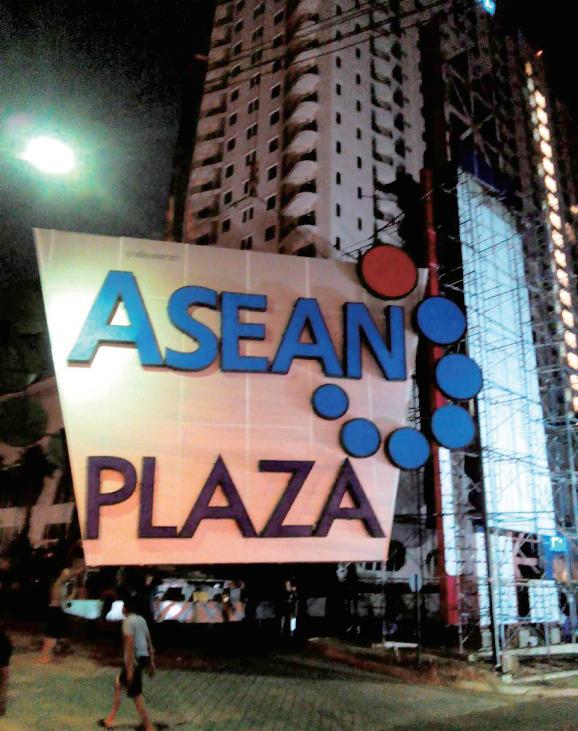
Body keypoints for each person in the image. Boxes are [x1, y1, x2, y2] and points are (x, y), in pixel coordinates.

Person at [99, 595, 156, 731]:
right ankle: (110, 719)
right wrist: (151, 662)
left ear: (125, 608)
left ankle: (149, 726)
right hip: (143, 657)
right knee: (119, 683)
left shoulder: (127, 622)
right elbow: (149, 641)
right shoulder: (141, 620)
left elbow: (129, 644)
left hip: (134, 660)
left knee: (136, 693)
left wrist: (130, 669)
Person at [38, 565, 76, 663]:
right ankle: (45, 656)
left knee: (54, 634)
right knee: (51, 634)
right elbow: (63, 600)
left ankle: (48, 655)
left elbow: (67, 602)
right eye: (66, 574)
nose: (68, 576)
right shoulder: (59, 583)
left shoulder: (64, 585)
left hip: (58, 610)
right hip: (55, 610)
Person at [0, 612, 12, 717]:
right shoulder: (5, 639)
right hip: (3, 666)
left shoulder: (5, 640)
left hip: (3, 666)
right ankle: (1, 708)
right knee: (3, 685)